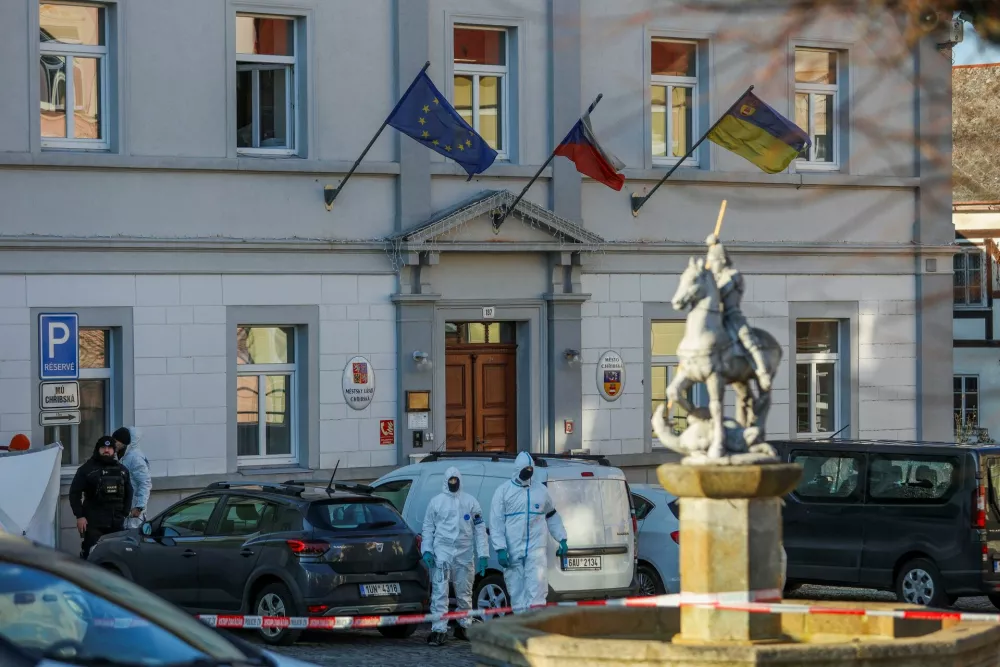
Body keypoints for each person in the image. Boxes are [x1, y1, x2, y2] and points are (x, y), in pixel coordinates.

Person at [489, 452, 568, 612]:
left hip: (535, 551)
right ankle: (523, 628)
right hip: (513, 552)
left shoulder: (540, 491)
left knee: (537, 592)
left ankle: (534, 629)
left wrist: (562, 538)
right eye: (525, 469)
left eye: (530, 469)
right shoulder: (503, 492)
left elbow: (551, 515)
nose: (528, 472)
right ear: (517, 469)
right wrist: (500, 549)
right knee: (517, 593)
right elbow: (496, 522)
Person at [421, 466, 488, 646]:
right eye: (450, 481)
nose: (453, 484)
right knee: (440, 591)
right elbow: (428, 527)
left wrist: (483, 554)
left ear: (460, 481)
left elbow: (480, 529)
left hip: (464, 552)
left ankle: (464, 625)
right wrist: (427, 550)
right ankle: (439, 629)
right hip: (442, 553)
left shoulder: (470, 502)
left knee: (464, 591)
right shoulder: (436, 502)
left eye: (455, 481)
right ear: (445, 481)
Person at [705, 233, 773, 391]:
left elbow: (722, 292)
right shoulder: (717, 277)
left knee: (746, 337)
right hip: (718, 316)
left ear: (721, 260)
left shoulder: (733, 276)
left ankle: (762, 371)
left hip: (731, 313)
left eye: (712, 261)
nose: (710, 264)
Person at [69, 436, 133, 559]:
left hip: (116, 523)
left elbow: (129, 492)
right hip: (94, 522)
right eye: (103, 448)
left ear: (114, 451)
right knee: (93, 556)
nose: (106, 450)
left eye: (109, 448)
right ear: (98, 449)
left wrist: (124, 513)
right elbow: (74, 493)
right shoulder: (87, 470)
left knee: (116, 557)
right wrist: (80, 516)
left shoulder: (122, 470)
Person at [112, 426, 152, 530]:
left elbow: (145, 483)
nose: (114, 443)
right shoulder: (125, 456)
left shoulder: (135, 458)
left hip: (133, 511)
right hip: (127, 508)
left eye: (116, 441)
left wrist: (139, 507)